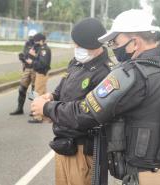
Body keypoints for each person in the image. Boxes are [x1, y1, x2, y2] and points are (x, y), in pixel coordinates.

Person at [31, 9, 160, 185]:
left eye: (116, 42)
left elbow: (86, 112)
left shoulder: (131, 75)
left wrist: (46, 108)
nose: (113, 47)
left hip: (141, 175)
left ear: (135, 42)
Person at [40, 18, 114, 185]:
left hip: (83, 151)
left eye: (78, 45)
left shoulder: (106, 73)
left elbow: (87, 115)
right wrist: (51, 97)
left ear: (92, 44)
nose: (76, 48)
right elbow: (62, 88)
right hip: (63, 144)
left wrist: (49, 109)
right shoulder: (76, 62)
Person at [10, 29, 37, 115]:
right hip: (27, 68)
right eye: (30, 37)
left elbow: (40, 59)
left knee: (33, 91)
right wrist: (22, 58)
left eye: (32, 37)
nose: (31, 38)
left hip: (35, 69)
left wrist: (32, 57)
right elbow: (25, 55)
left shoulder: (39, 46)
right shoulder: (27, 44)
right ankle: (19, 108)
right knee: (22, 89)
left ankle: (34, 110)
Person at [28, 33, 51, 123]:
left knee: (37, 93)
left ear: (41, 40)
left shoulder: (44, 50)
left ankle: (37, 117)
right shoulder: (41, 49)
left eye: (37, 41)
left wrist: (32, 62)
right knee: (43, 94)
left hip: (41, 73)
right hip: (40, 73)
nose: (35, 43)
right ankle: (44, 112)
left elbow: (43, 63)